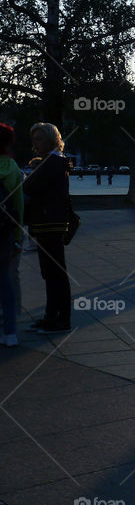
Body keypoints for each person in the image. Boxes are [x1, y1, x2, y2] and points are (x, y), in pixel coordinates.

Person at [23, 123, 73, 333]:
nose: (36, 143)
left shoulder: (51, 163)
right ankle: (51, 316)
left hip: (49, 223)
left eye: (39, 139)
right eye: (34, 139)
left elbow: (29, 187)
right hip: (49, 223)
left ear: (52, 140)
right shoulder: (52, 162)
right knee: (51, 272)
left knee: (54, 272)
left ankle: (60, 319)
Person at [0, 123, 24, 346]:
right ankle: (10, 333)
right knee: (5, 280)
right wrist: (17, 235)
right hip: (4, 232)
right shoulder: (13, 168)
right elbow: (19, 205)